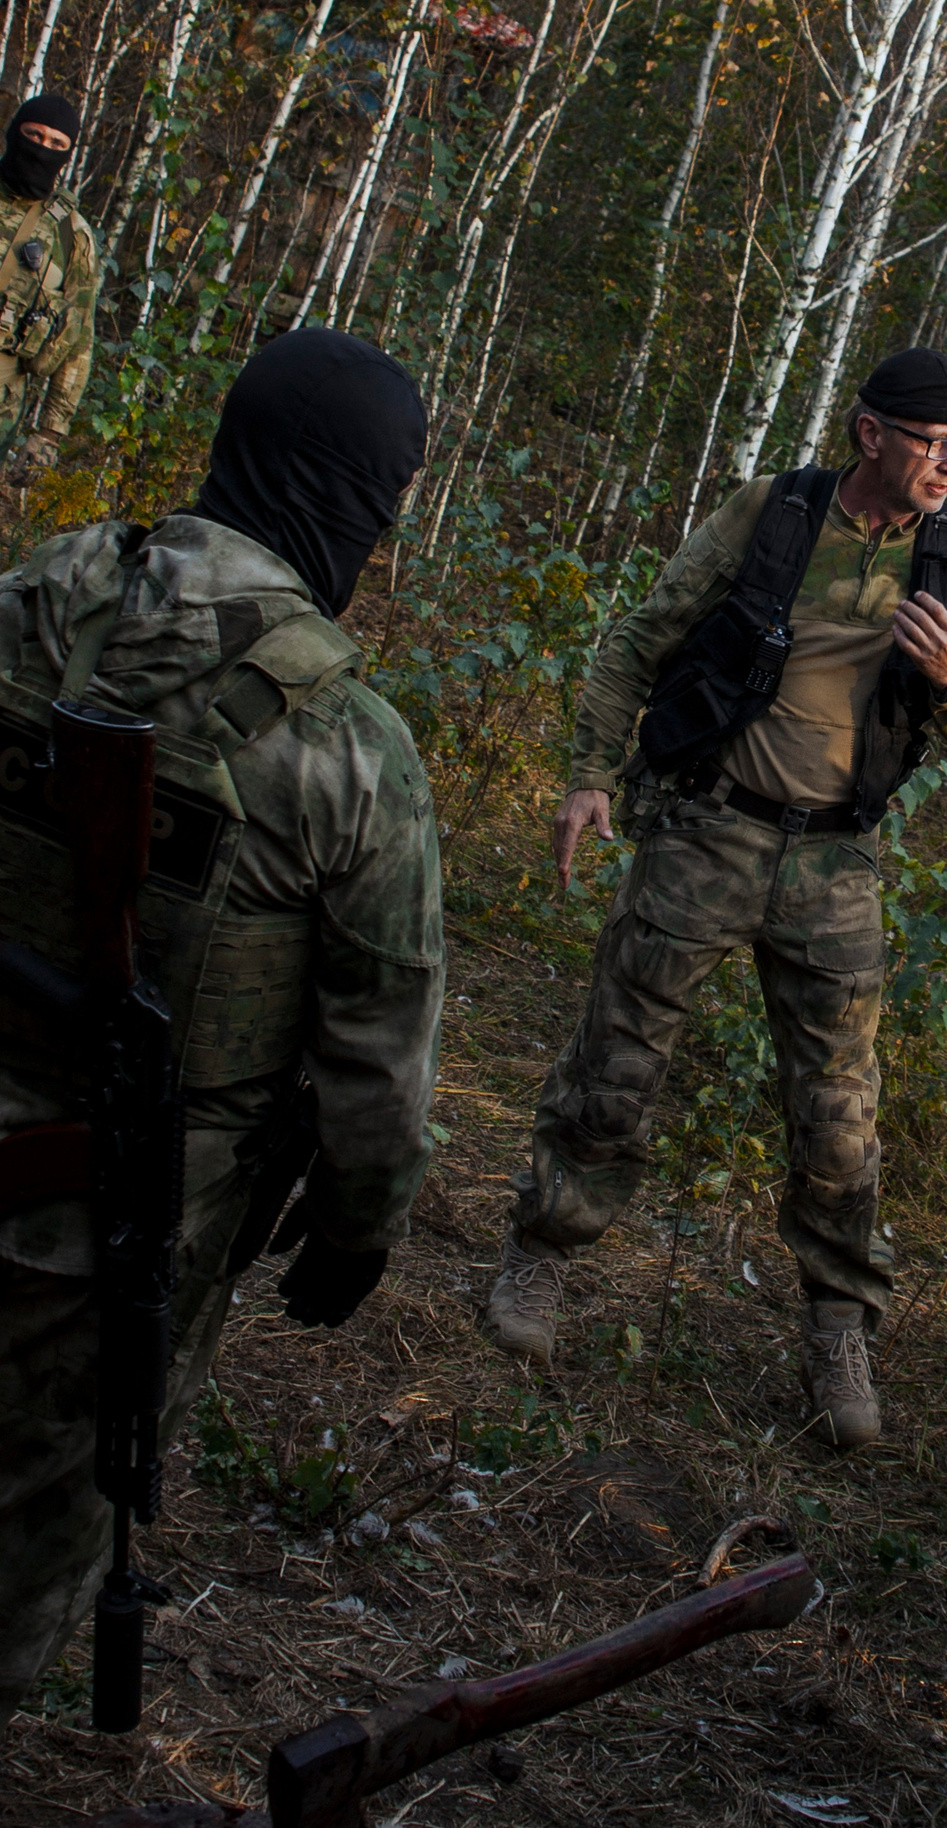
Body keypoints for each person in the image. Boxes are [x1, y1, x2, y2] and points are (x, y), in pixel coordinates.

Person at [0, 328, 441, 1712]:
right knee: (30, 1542)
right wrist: (360, 1230)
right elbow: (380, 1054)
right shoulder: (349, 747)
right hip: (108, 1227)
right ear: (358, 500)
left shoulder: (43, 589)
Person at [488, 346, 947, 1451]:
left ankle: (836, 1330)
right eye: (937, 444)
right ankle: (540, 1257)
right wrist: (590, 776)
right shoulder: (772, 512)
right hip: (710, 828)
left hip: (836, 867)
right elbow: (639, 639)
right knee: (616, 1064)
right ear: (872, 433)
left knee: (839, 1120)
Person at [0, 95, 95, 478]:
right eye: (33, 135)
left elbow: (78, 339)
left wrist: (49, 434)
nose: (42, 149)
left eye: (57, 144)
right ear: (13, 133)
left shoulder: (71, 234)